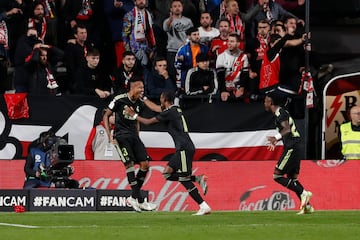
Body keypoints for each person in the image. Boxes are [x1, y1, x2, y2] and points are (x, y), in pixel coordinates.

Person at [124, 91, 211, 215]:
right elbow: (155, 108)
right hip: (182, 148)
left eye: (160, 98)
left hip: (184, 148)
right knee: (167, 174)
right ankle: (198, 178)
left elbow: (148, 122)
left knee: (184, 179)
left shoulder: (169, 112)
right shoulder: (174, 110)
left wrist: (133, 115)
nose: (159, 100)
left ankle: (204, 206)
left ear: (164, 99)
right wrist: (143, 98)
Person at [103, 78, 157, 212]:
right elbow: (106, 116)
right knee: (129, 165)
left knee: (145, 165)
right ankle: (139, 200)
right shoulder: (119, 99)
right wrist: (109, 134)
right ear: (132, 88)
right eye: (140, 87)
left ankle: (133, 198)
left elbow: (137, 120)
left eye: (143, 87)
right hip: (121, 136)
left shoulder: (140, 103)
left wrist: (138, 136)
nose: (142, 90)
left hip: (134, 136)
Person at [264, 92, 313, 214]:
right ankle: (307, 207)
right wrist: (277, 140)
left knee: (277, 175)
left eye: (265, 101)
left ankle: (303, 193)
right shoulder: (281, 113)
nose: (264, 103)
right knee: (292, 178)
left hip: (292, 147)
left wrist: (275, 137)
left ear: (271, 102)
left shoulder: (281, 113)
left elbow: (287, 129)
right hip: (296, 145)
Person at [216, 32, 249, 102]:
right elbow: (220, 76)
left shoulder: (244, 56)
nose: (229, 43)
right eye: (228, 41)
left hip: (238, 89)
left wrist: (241, 88)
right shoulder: (221, 56)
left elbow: (244, 74)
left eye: (232, 41)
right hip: (225, 88)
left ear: (238, 44)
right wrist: (223, 91)